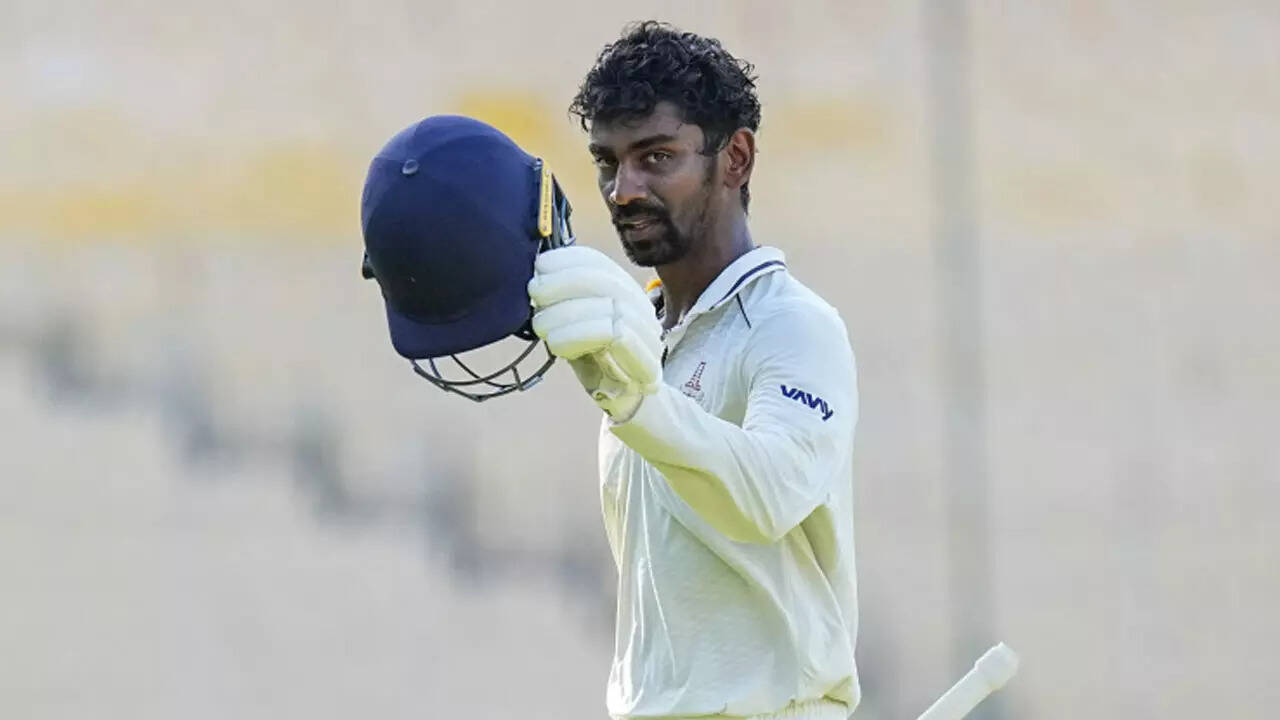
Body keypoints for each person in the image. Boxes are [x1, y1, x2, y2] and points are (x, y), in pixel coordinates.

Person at [527, 21, 861, 720]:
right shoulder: (637, 339)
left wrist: (638, 403)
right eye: (608, 163)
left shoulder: (793, 325)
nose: (623, 190)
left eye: (656, 157)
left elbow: (767, 495)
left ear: (735, 158)